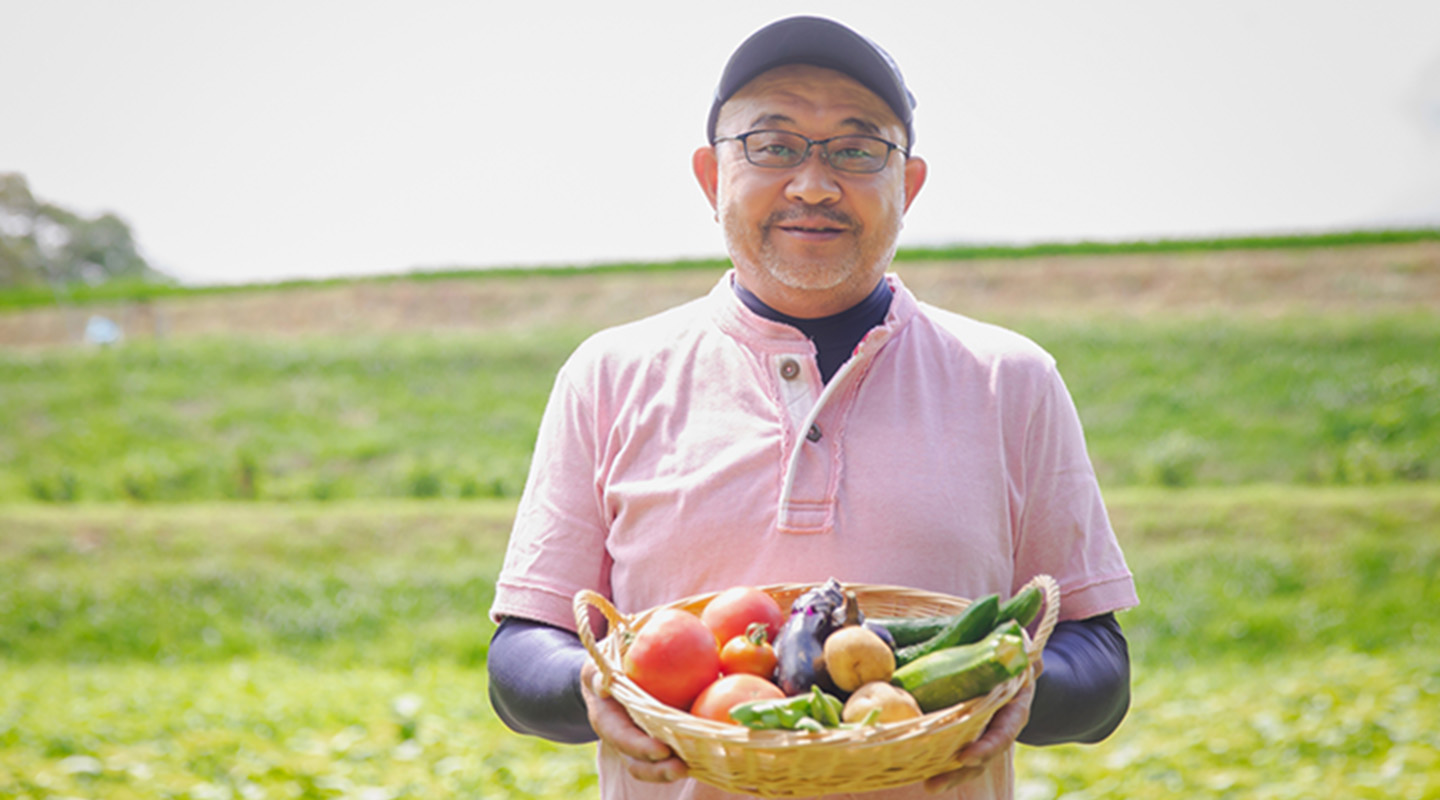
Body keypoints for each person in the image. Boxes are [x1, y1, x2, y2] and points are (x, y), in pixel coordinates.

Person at [487, 15, 1138, 800]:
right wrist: (593, 687)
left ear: (909, 186)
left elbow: (1099, 665)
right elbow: (520, 657)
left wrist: (1018, 683)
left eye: (857, 150)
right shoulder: (609, 375)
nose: (814, 185)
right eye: (773, 145)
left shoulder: (1012, 379)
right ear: (710, 176)